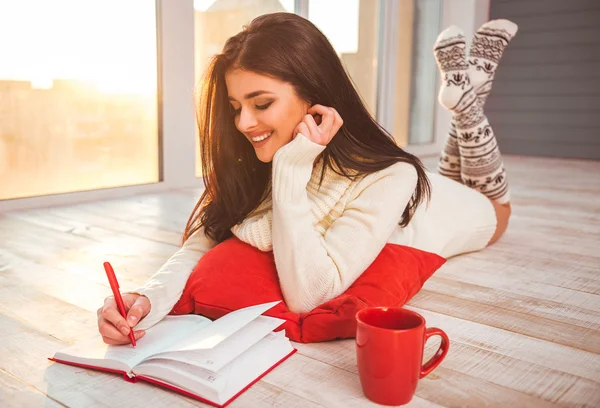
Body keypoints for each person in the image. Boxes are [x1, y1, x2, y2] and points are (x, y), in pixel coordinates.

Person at [97, 13, 516, 345]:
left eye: (261, 103)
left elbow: (309, 294)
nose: (244, 123)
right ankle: (469, 90)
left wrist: (291, 171)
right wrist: (145, 300)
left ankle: (468, 105)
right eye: (235, 106)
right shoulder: (253, 161)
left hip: (454, 210)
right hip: (416, 191)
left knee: (488, 193)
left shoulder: (391, 175)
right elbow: (199, 245)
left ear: (315, 96)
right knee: (451, 163)